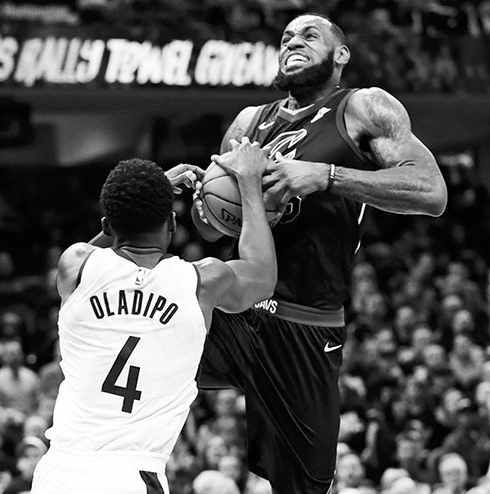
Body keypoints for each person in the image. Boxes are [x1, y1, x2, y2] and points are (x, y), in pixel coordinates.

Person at [191, 12, 448, 494]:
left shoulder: (363, 107)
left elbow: (431, 191)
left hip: (304, 320)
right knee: (142, 344)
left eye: (310, 36)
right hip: (237, 304)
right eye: (286, 37)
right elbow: (209, 232)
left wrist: (326, 176)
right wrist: (204, 197)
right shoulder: (250, 121)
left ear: (341, 54)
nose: (293, 42)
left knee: (305, 488)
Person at [30, 150, 277, 494]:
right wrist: (250, 184)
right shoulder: (201, 283)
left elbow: (93, 249)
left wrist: (154, 188)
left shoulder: (76, 266)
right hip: (131, 476)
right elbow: (263, 276)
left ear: (106, 226)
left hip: (59, 472)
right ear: (173, 225)